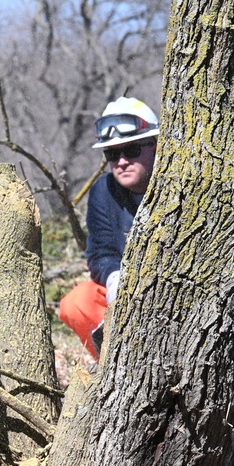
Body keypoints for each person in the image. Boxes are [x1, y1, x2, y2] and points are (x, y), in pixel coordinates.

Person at [58, 96, 159, 359]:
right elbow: (100, 251)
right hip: (125, 289)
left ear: (156, 146)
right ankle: (113, 368)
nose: (122, 161)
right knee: (75, 304)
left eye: (132, 150)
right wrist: (114, 277)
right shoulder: (103, 191)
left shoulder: (177, 186)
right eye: (112, 153)